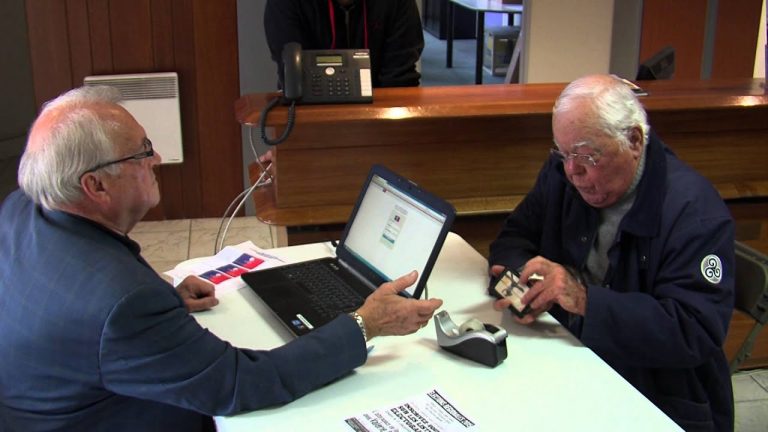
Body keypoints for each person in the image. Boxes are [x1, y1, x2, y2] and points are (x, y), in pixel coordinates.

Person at [0, 86, 443, 431]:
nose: (156, 158)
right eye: (141, 152)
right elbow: (240, 385)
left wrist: (164, 297)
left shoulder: (23, 208)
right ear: (95, 187)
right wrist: (367, 322)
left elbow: (83, 291)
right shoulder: (122, 305)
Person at [488, 75, 735, 431]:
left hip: (656, 393)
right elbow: (512, 240)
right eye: (564, 153)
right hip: (571, 356)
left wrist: (585, 300)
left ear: (634, 140)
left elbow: (693, 331)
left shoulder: (694, 214)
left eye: (587, 155)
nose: (574, 171)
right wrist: (528, 289)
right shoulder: (564, 172)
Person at [264, 0, 424, 89]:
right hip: (308, 121)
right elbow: (294, 80)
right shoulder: (284, 4)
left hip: (380, 121)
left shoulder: (398, 4)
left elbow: (400, 82)